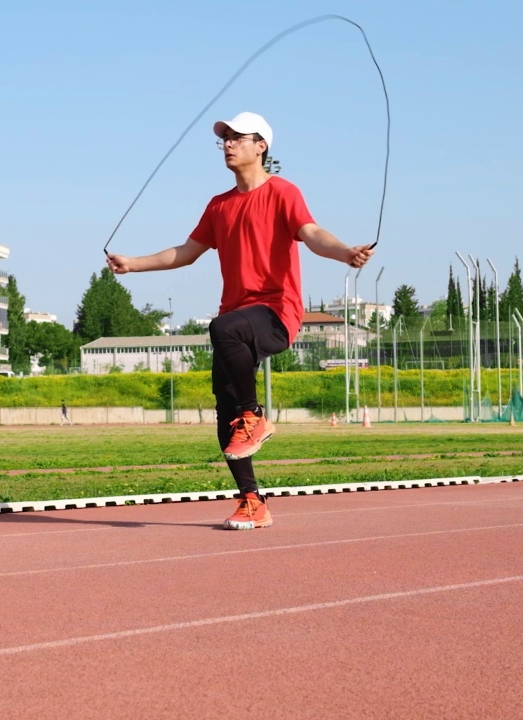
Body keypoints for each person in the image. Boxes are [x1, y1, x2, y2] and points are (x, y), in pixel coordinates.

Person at [107, 111, 374, 530]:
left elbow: (312, 232)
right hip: (235, 323)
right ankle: (253, 501)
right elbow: (186, 251)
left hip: (275, 313)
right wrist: (133, 264)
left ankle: (255, 416)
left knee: (224, 331)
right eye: (224, 139)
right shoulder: (219, 205)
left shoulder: (284, 192)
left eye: (237, 138)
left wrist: (345, 252)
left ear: (261, 146)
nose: (229, 145)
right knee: (224, 409)